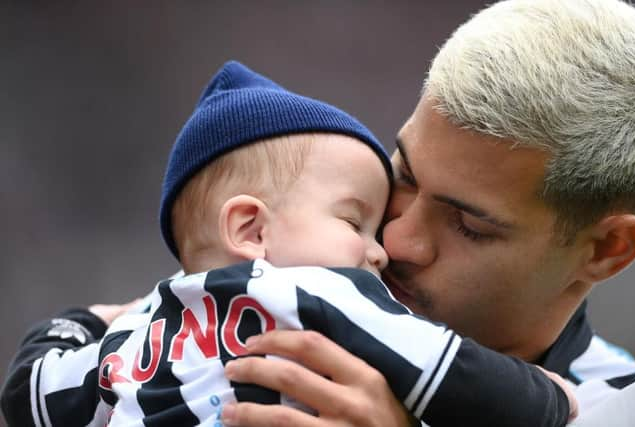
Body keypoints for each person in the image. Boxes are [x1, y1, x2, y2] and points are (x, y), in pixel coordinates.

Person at [1, 61, 577, 427]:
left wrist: (81, 320)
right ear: (252, 230)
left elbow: (27, 396)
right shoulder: (321, 296)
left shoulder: (137, 328)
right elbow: (452, 373)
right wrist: (551, 400)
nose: (379, 251)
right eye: (354, 223)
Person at [214, 0, 635, 426]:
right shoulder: (223, 308)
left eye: (469, 225)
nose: (396, 239)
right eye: (405, 176)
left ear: (607, 250)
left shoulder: (616, 412)